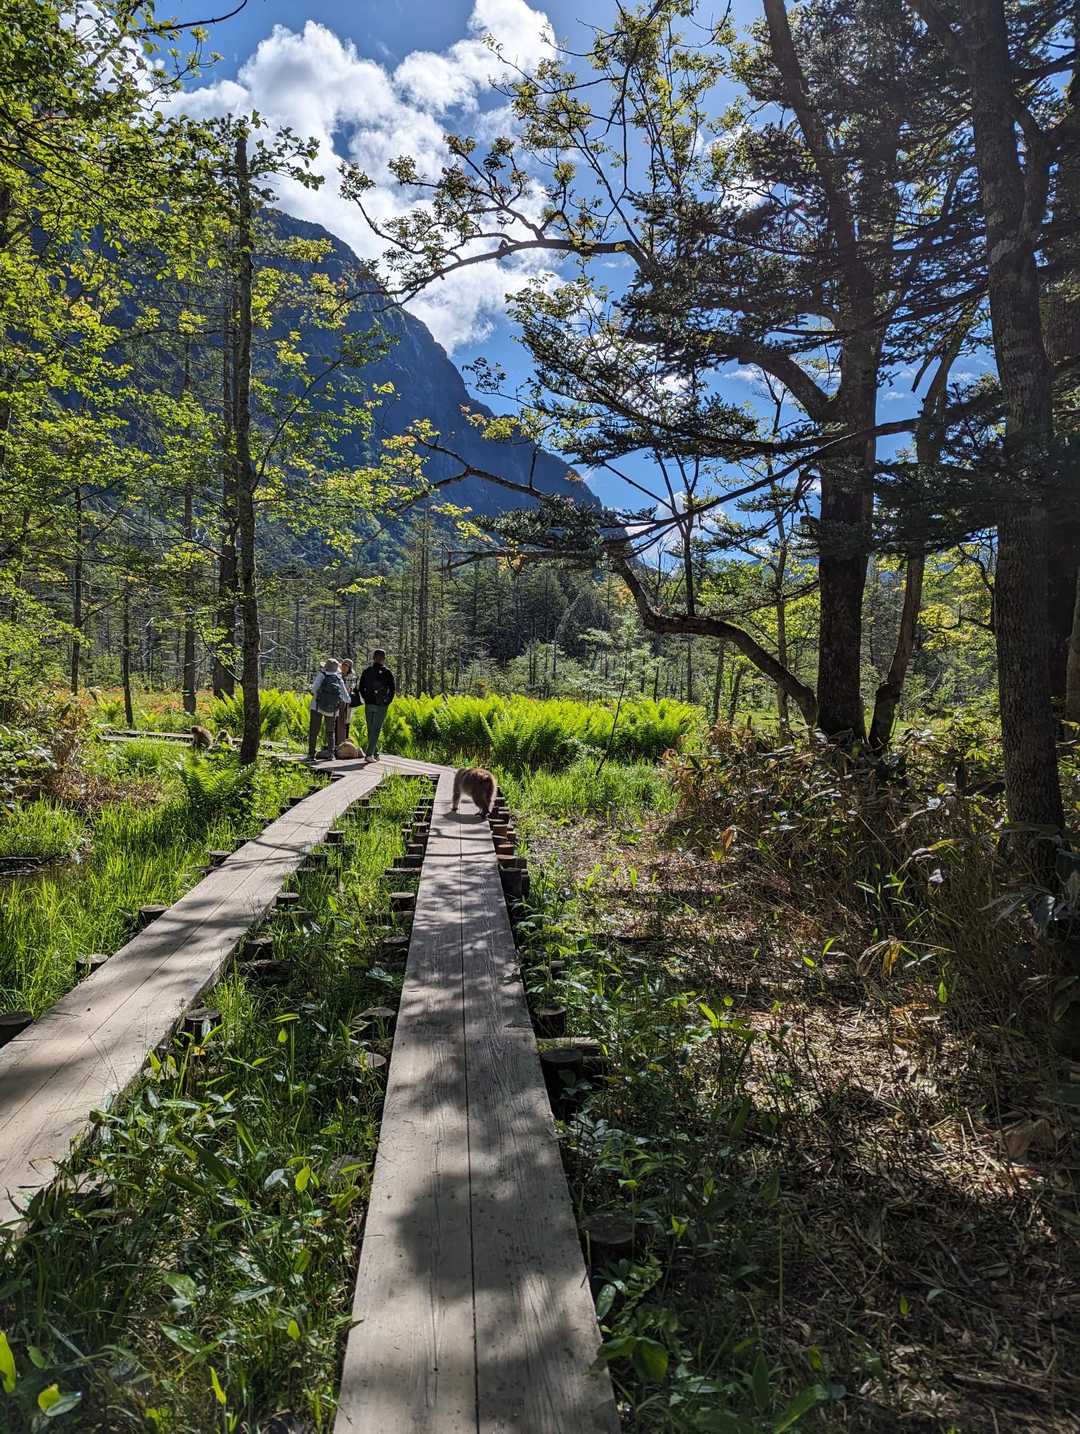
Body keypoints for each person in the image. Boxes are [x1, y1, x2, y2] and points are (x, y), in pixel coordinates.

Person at [307, 658, 350, 762]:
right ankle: (331, 754)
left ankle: (311, 755)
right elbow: (347, 698)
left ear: (325, 667)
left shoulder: (321, 675)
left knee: (314, 731)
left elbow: (313, 689)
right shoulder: (339, 679)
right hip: (332, 710)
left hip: (316, 707)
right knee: (330, 732)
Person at [357, 648, 395, 760]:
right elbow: (392, 689)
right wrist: (387, 701)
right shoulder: (387, 672)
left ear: (373, 658)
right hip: (381, 705)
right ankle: (369, 754)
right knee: (376, 729)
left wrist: (366, 698)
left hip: (369, 703)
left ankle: (375, 753)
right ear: (384, 659)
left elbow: (361, 687)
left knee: (371, 729)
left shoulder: (367, 671)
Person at [336, 657, 358, 750]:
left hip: (347, 703)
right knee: (336, 721)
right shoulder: (337, 674)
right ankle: (336, 743)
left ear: (349, 667)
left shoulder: (352, 677)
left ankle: (345, 742)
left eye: (346, 665)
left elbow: (351, 689)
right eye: (343, 665)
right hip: (337, 702)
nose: (344, 667)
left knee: (346, 722)